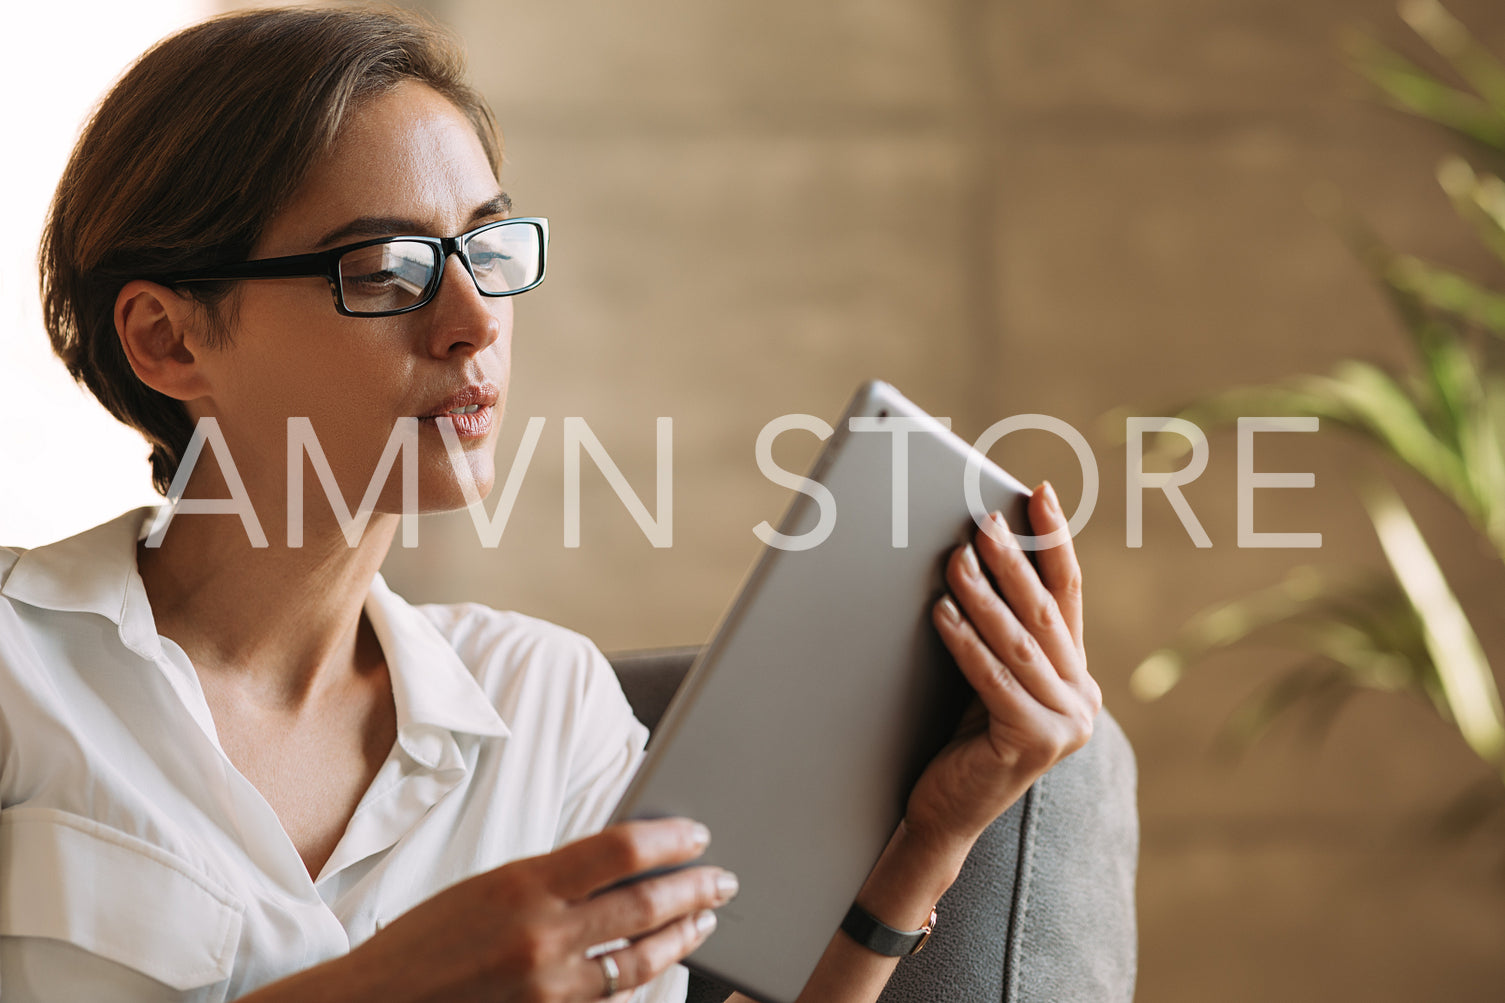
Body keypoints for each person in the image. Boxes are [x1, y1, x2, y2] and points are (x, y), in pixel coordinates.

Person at [2, 6, 1102, 1002]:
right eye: (386, 267)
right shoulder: (21, 667)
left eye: (485, 246)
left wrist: (923, 843)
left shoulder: (546, 705)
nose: (473, 321)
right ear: (167, 338)